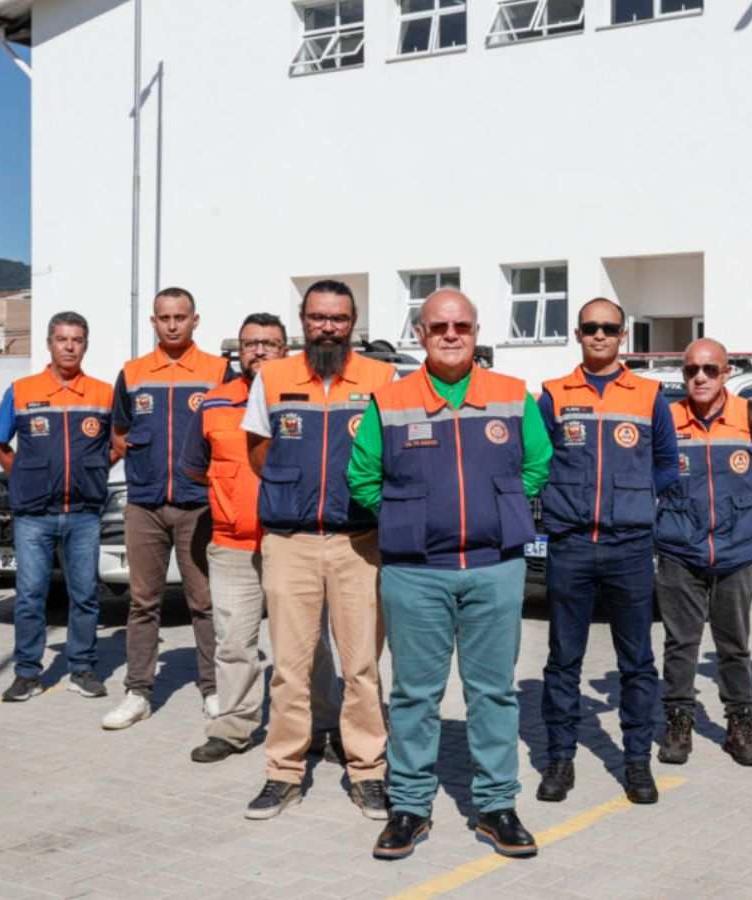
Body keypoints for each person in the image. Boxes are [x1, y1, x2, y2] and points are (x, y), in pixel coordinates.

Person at [348, 289, 552, 861]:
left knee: (494, 692)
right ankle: (409, 807)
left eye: (461, 324)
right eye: (439, 326)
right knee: (415, 694)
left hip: (495, 569)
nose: (451, 334)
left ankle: (496, 806)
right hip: (417, 574)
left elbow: (536, 465)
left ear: (477, 330)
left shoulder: (512, 397)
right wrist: (407, 519)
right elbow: (363, 478)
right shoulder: (388, 402)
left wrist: (499, 505)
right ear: (420, 334)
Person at [241, 279, 394, 820]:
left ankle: (368, 772)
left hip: (360, 543)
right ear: (302, 320)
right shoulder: (274, 376)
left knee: (361, 669)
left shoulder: (381, 378)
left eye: (339, 318)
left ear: (354, 324)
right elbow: (259, 451)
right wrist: (297, 490)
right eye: (317, 317)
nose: (327, 326)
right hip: (290, 542)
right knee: (289, 667)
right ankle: (282, 773)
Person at [181, 313, 342, 764]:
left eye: (269, 344)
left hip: (294, 541)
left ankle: (325, 726)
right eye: (250, 344)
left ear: (285, 350)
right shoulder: (212, 404)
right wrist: (229, 499)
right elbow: (195, 467)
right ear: (238, 351)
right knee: (233, 642)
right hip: (234, 546)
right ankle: (232, 728)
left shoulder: (302, 398)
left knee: (310, 641)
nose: (259, 351)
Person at [537, 298, 678, 806]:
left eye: (610, 328)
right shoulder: (553, 395)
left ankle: (636, 760)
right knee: (562, 661)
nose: (600, 335)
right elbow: (536, 459)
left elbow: (666, 461)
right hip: (571, 545)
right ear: (578, 334)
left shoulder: (648, 395)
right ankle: (559, 759)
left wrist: (639, 496)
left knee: (637, 661)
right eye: (591, 328)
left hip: (630, 547)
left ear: (624, 336)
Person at [100, 287, 229, 730]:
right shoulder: (133, 374)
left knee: (205, 603)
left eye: (180, 316)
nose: (172, 324)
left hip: (198, 507)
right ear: (153, 323)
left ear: (195, 320)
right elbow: (118, 431)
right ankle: (138, 692)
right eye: (163, 317)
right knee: (142, 602)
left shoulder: (218, 372)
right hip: (146, 507)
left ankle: (214, 690)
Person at [654, 339, 752, 768]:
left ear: (725, 374)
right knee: (680, 644)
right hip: (678, 550)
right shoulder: (666, 420)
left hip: (736, 551)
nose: (699, 378)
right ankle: (678, 723)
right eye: (691, 371)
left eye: (709, 369)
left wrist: (734, 520)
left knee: (734, 646)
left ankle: (740, 725)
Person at [0, 311, 117, 703]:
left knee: (85, 596)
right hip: (34, 515)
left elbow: (117, 445)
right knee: (29, 596)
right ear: (49, 343)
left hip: (83, 513)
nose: (69, 346)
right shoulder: (22, 390)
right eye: (62, 339)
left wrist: (96, 471)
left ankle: (81, 668)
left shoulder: (102, 394)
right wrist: (19, 473)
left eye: (77, 339)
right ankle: (27, 673)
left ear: (85, 344)